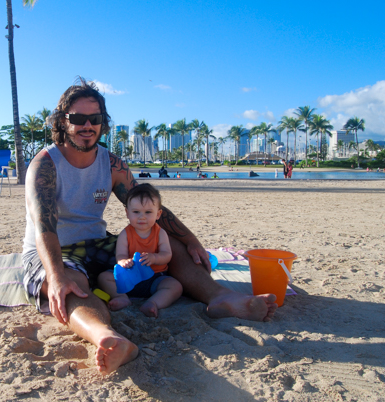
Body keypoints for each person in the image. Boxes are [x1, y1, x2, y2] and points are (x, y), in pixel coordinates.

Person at [22, 78, 277, 375]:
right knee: (69, 285)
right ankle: (108, 338)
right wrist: (55, 276)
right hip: (53, 250)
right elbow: (44, 227)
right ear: (62, 121)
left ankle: (222, 298)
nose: (88, 125)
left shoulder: (111, 164)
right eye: (78, 119)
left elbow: (149, 207)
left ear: (103, 123)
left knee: (167, 242)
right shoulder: (45, 165)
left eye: (95, 118)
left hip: (98, 244)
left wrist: (191, 240)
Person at [97, 184, 181, 318]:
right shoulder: (125, 234)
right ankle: (121, 297)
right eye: (136, 212)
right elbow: (120, 255)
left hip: (155, 278)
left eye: (148, 212)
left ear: (158, 214)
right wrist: (124, 261)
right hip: (129, 278)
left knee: (175, 286)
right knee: (104, 277)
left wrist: (154, 258)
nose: (142, 217)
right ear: (127, 213)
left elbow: (167, 255)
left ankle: (153, 303)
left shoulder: (160, 233)